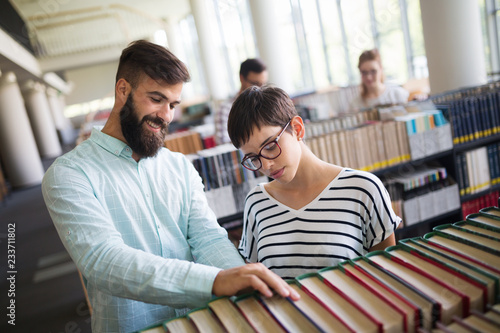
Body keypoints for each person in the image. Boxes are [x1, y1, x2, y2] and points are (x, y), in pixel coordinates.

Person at [41, 40, 298, 333]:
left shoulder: (178, 166)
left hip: (201, 324)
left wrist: (241, 278)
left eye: (173, 104)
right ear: (123, 90)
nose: (166, 115)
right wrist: (214, 282)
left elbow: (208, 238)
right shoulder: (69, 174)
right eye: (156, 99)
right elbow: (104, 261)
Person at [227, 85, 401, 279]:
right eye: (252, 158)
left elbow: (387, 276)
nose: (266, 165)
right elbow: (254, 281)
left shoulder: (363, 189)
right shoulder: (257, 202)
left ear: (297, 129)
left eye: (269, 146)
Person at [214, 58, 268, 145]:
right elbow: (222, 143)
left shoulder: (268, 105)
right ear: (242, 78)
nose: (259, 89)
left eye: (263, 84)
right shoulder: (226, 109)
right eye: (255, 83)